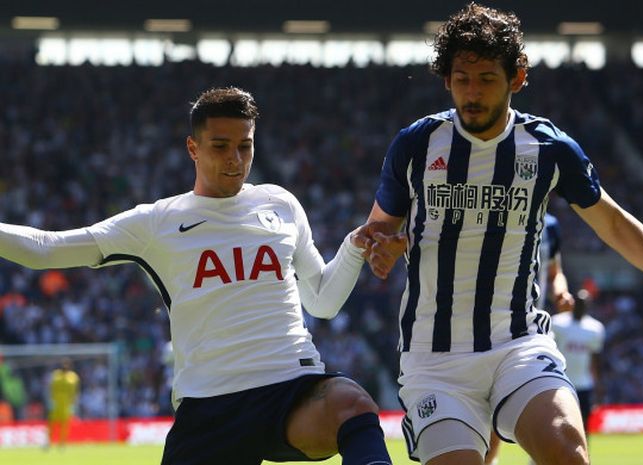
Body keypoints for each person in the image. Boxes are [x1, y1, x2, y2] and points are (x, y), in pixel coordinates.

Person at [359, 3, 643, 465]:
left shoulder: (549, 148)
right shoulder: (417, 144)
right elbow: (378, 228)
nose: (472, 92)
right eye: (462, 78)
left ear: (517, 78)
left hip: (516, 344)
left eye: (486, 79)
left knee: (567, 449)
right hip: (434, 360)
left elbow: (613, 222)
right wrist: (384, 247)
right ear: (446, 79)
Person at [0, 87, 392, 465]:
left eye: (245, 145)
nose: (235, 159)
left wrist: (353, 247)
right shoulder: (157, 222)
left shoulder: (280, 203)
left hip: (289, 387)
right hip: (210, 406)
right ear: (193, 148)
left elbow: (322, 301)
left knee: (352, 403)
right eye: (220, 146)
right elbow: (45, 247)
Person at [485, 212, 573, 465]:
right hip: (493, 331)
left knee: (552, 422)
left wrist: (561, 292)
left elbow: (555, 271)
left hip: (535, 334)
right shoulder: (496, 213)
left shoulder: (552, 226)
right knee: (489, 430)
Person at [551, 289, 605, 435]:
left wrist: (598, 383)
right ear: (573, 303)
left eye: (584, 303)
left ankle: (583, 456)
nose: (581, 306)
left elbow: (595, 358)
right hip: (560, 382)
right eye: (579, 302)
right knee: (557, 424)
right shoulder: (557, 323)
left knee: (584, 425)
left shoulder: (595, 328)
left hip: (584, 384)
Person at [47, 358, 80, 448]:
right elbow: (50, 388)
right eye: (63, 364)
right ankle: (49, 442)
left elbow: (75, 391)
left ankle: (62, 443)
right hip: (56, 402)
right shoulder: (55, 375)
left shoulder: (73, 377)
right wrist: (50, 400)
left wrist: (73, 404)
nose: (65, 366)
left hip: (67, 404)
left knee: (65, 424)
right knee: (52, 423)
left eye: (67, 364)